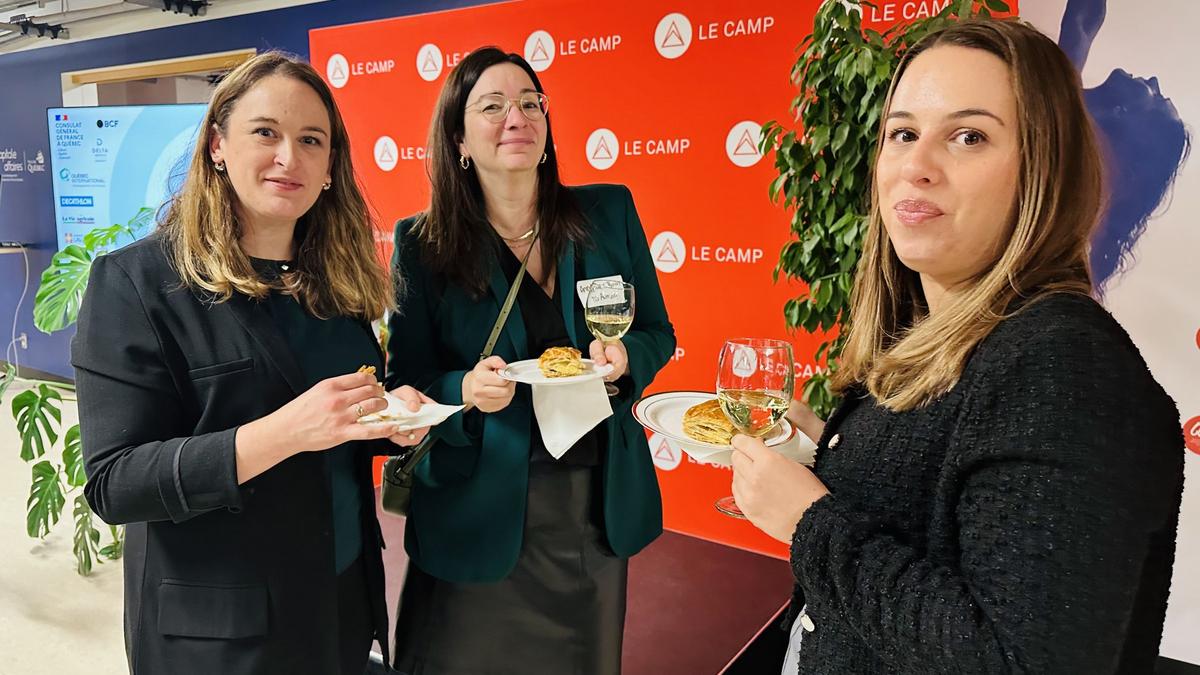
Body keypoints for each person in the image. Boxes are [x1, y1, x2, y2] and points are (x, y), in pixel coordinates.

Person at [729, 19, 1185, 674]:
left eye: (968, 136)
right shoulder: (943, 332)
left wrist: (809, 522)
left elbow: (1018, 661)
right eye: (902, 134)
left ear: (1044, 167)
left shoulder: (1067, 368)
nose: (916, 167)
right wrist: (836, 456)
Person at [73, 52, 433, 675]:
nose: (289, 157)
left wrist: (389, 420)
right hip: (222, 635)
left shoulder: (333, 280)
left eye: (311, 140)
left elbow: (334, 426)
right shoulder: (137, 282)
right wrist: (285, 432)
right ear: (217, 145)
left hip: (341, 603)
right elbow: (116, 483)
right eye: (266, 132)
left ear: (330, 167)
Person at [385, 46, 675, 674]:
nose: (516, 117)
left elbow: (658, 331)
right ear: (459, 139)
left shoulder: (608, 213)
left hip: (590, 508)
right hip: (475, 507)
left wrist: (626, 356)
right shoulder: (423, 244)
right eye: (492, 106)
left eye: (529, 103)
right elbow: (406, 382)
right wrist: (465, 389)